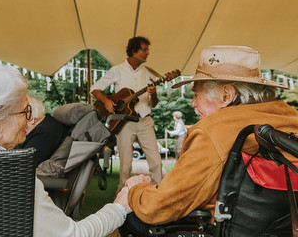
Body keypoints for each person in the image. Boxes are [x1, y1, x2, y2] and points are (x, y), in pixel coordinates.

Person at [0, 65, 133, 237]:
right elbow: (74, 234)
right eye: (25, 112)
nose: (29, 120)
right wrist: (120, 207)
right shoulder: (15, 176)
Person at [121, 45, 298, 230]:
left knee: (125, 217)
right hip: (282, 230)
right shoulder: (290, 117)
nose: (192, 103)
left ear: (226, 95)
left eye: (197, 94)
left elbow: (157, 207)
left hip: (220, 229)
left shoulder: (213, 131)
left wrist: (135, 189)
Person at [91, 36, 162, 190]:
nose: (148, 53)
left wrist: (154, 93)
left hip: (145, 121)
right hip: (124, 123)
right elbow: (94, 89)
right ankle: (122, 198)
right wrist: (106, 101)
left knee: (156, 163)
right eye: (144, 49)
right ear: (133, 51)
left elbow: (153, 103)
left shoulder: (149, 73)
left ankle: (158, 194)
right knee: (125, 167)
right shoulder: (117, 70)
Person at [16, 95, 70, 167]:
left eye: (18, 116)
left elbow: (23, 165)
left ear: (31, 117)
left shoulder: (46, 132)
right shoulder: (45, 124)